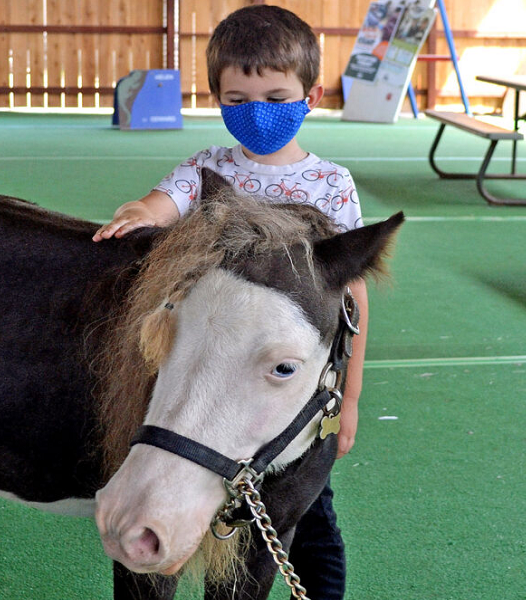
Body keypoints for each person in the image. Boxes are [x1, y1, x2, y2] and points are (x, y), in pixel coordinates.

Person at [93, 5, 362, 598]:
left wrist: (350, 399)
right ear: (215, 97)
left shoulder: (331, 184)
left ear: (310, 95)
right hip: (206, 377)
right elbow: (159, 204)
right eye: (237, 99)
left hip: (277, 392)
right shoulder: (208, 168)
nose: (256, 112)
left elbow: (350, 300)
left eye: (274, 94)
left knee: (306, 517)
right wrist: (138, 214)